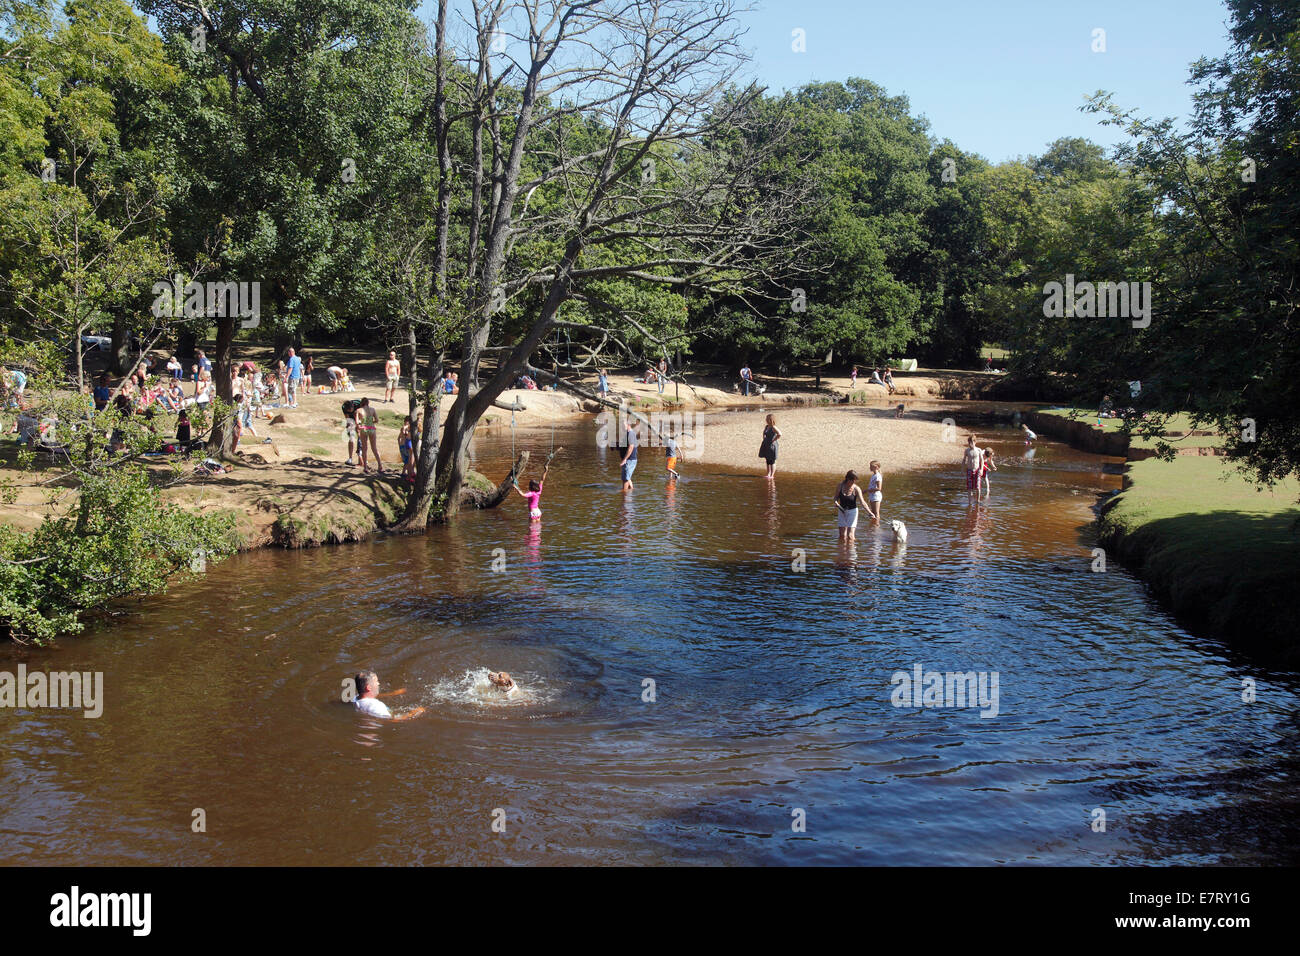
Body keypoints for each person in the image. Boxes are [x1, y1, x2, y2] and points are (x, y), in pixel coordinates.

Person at [352, 670, 424, 721]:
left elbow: (369, 698)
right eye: (376, 681)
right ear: (369, 687)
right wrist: (414, 712)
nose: (378, 684)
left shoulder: (356, 698)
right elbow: (393, 720)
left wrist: (392, 694)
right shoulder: (376, 706)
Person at [833, 470, 869, 542]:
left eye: (855, 480)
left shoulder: (856, 488)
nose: (854, 482)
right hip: (841, 511)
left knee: (850, 536)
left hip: (852, 512)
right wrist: (836, 502)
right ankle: (843, 552)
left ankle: (852, 551)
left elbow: (863, 502)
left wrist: (870, 512)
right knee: (842, 535)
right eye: (852, 480)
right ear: (848, 479)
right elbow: (835, 497)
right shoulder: (840, 486)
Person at [356, 396, 382, 472]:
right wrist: (371, 423)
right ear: (368, 403)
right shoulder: (372, 409)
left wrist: (362, 424)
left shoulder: (358, 410)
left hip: (364, 429)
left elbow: (357, 422)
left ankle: (365, 467)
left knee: (364, 448)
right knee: (374, 448)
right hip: (372, 428)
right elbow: (377, 420)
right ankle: (380, 465)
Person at [619, 417, 638, 491]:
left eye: (623, 425)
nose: (621, 427)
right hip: (628, 460)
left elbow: (631, 447)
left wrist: (624, 459)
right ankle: (630, 493)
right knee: (627, 478)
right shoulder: (627, 433)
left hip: (629, 460)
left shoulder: (630, 433)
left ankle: (624, 493)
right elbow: (625, 446)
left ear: (628, 425)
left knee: (625, 478)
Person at [759, 413, 781, 479]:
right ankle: (768, 474)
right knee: (767, 460)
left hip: (772, 445)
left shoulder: (773, 427)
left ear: (771, 420)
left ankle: (772, 475)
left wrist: (774, 439)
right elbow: (764, 432)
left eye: (767, 419)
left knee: (772, 460)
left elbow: (779, 434)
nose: (766, 420)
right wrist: (764, 438)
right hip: (766, 444)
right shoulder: (767, 426)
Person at [342, 397, 359, 466]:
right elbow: (348, 418)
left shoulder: (358, 403)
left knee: (360, 437)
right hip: (351, 419)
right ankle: (350, 458)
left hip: (360, 418)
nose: (349, 411)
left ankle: (362, 458)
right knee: (351, 437)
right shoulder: (344, 407)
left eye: (350, 410)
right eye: (348, 410)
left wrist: (358, 424)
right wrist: (349, 425)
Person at [398, 416, 415, 482]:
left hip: (402, 446)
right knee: (408, 461)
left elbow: (398, 438)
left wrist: (399, 445)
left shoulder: (404, 428)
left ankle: (403, 472)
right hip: (405, 446)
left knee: (406, 461)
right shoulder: (405, 428)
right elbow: (404, 434)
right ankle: (409, 474)